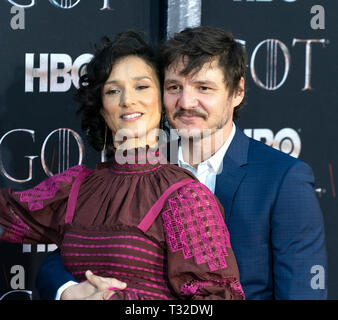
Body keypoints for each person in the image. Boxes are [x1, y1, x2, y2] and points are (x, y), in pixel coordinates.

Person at [36, 26, 327, 300]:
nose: (186, 102)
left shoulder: (283, 181)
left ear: (237, 92)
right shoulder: (134, 166)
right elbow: (67, 254)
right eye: (175, 87)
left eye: (204, 88)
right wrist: (68, 290)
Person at [0, 30, 245, 300]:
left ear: (163, 100)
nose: (127, 99)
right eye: (113, 90)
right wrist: (68, 292)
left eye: (141, 86)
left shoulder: (186, 197)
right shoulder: (76, 187)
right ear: (102, 108)